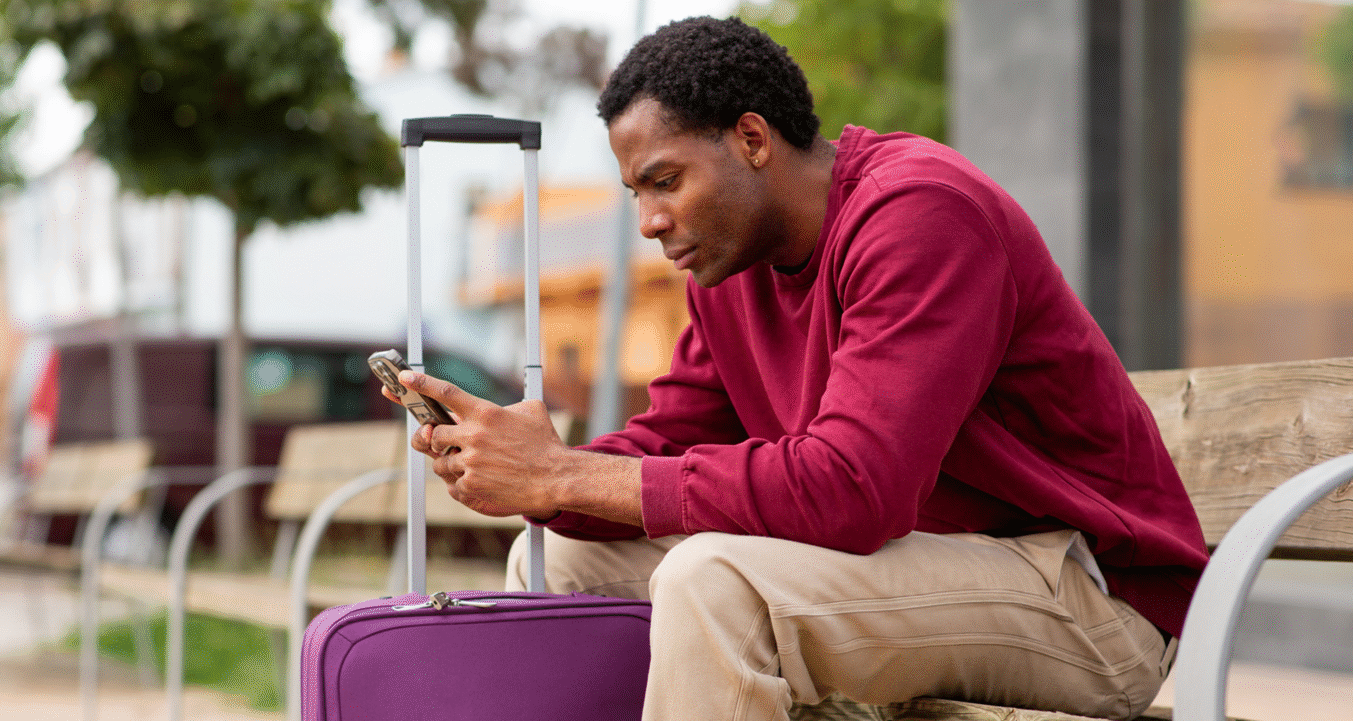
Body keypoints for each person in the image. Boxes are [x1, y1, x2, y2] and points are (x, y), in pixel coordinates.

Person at [385, 16, 1208, 721]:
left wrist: (567, 477)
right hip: (915, 567)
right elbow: (671, 443)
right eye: (635, 192)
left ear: (751, 139)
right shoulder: (730, 266)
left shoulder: (919, 215)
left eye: (663, 181)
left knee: (715, 580)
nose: (648, 221)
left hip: (1084, 596)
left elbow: (854, 489)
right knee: (554, 560)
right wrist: (529, 466)